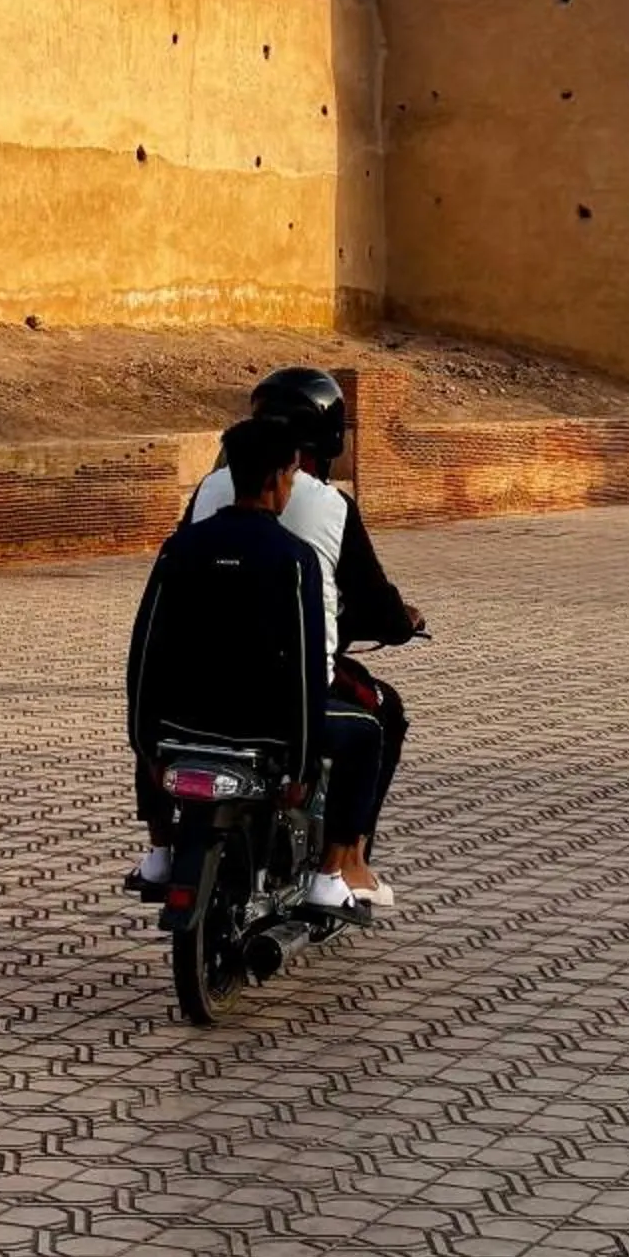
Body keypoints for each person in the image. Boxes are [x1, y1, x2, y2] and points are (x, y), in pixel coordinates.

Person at [186, 368, 424, 901]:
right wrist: (399, 623)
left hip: (196, 686)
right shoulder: (327, 508)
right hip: (286, 690)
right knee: (378, 717)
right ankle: (343, 866)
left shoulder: (206, 492)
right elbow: (368, 599)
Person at [126, 416, 380, 915]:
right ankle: (331, 875)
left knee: (154, 719)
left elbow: (145, 655)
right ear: (276, 479)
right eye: (289, 476)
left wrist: (145, 742)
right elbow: (307, 669)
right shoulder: (293, 559)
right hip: (267, 729)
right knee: (367, 732)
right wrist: (302, 766)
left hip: (186, 720)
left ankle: (158, 852)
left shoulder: (181, 547)